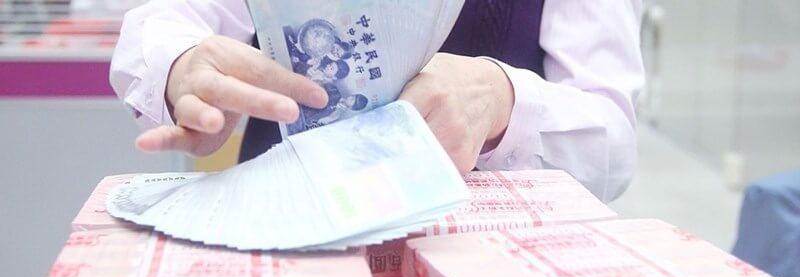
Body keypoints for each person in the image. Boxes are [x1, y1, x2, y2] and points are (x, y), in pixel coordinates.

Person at [111, 1, 644, 201]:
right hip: (291, 249)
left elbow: (612, 140)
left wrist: (502, 99)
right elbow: (165, 19)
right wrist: (182, 64)